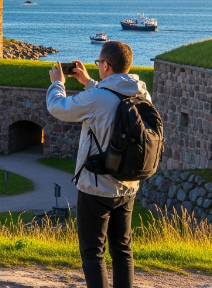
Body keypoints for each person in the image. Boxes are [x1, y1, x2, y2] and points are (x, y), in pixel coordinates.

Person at [46, 41, 148, 288]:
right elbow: (111, 95)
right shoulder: (141, 92)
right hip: (128, 184)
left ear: (106, 65)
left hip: (96, 185)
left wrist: (57, 83)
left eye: (98, 63)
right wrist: (89, 81)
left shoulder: (96, 98)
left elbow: (58, 108)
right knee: (122, 250)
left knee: (93, 252)